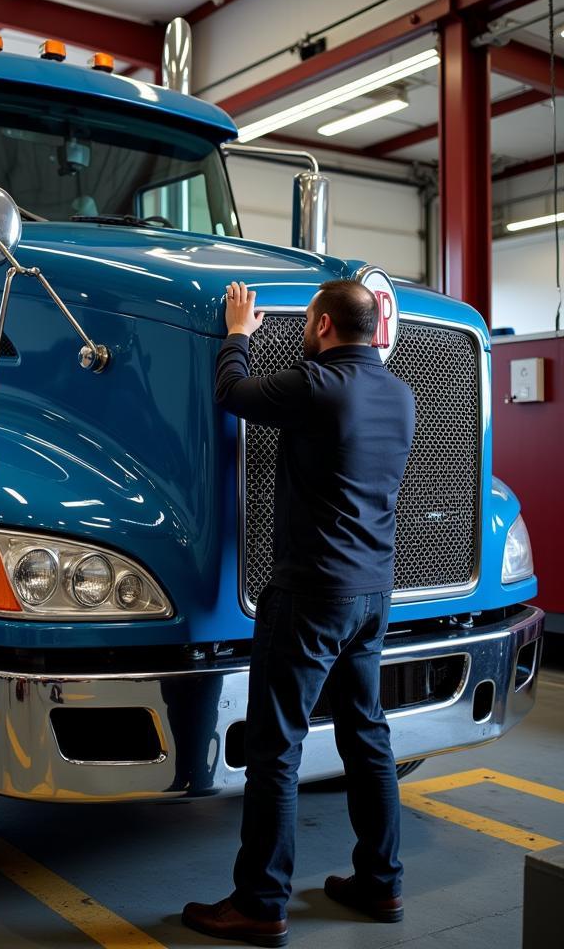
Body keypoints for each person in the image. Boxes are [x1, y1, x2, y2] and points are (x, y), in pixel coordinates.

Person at [182, 279, 416, 947]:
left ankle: (260, 901)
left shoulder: (316, 386)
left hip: (312, 593)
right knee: (366, 735)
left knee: (276, 749)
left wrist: (236, 334)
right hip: (375, 593)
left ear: (319, 326)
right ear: (376, 330)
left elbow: (231, 395)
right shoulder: (400, 396)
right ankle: (381, 880)